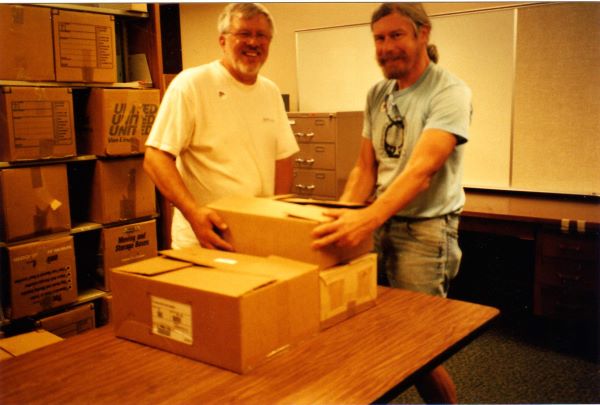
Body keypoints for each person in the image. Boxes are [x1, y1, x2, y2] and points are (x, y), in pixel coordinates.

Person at [312, 3, 472, 404]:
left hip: (425, 231)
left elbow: (422, 171)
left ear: (423, 33)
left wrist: (366, 220)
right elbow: (365, 169)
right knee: (362, 330)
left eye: (396, 35)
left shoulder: (449, 91)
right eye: (379, 39)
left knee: (422, 348)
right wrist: (344, 217)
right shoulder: (378, 94)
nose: (386, 47)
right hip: (379, 224)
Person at [144, 3, 298, 251]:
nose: (253, 42)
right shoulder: (192, 84)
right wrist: (194, 215)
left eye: (261, 35)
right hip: (206, 238)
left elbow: (284, 158)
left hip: (256, 236)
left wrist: (276, 213)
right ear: (223, 40)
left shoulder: (270, 91)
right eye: (244, 34)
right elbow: (155, 158)